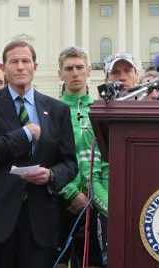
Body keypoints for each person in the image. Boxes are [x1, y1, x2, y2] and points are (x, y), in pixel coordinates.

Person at [0, 40, 78, 268]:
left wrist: (51, 175)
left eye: (25, 61)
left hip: (39, 222)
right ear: (4, 68)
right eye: (14, 61)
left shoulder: (57, 110)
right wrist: (25, 134)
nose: (20, 67)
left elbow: (69, 163)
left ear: (34, 67)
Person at [58, 47, 108, 268]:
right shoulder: (51, 110)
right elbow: (48, 157)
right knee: (62, 259)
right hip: (64, 200)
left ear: (89, 70)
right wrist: (70, 193)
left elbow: (108, 156)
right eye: (69, 69)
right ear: (60, 73)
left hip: (99, 200)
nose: (75, 73)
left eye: (79, 68)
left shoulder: (102, 109)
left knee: (96, 261)